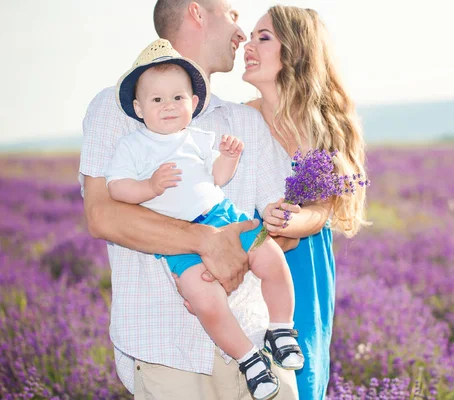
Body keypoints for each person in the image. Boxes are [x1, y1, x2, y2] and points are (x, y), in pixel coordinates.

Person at [78, 1, 300, 398]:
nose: (241, 29)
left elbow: (284, 225)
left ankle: (282, 333)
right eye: (232, 14)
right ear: (198, 13)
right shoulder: (114, 110)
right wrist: (207, 243)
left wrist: (254, 243)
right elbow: (102, 216)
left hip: (256, 334)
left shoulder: (245, 122)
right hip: (168, 349)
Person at [242, 6, 370, 399]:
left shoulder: (322, 124)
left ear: (295, 50)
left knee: (300, 380)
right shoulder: (237, 120)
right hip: (246, 260)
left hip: (301, 267)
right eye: (250, 36)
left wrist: (283, 225)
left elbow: (322, 212)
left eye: (263, 37)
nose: (248, 45)